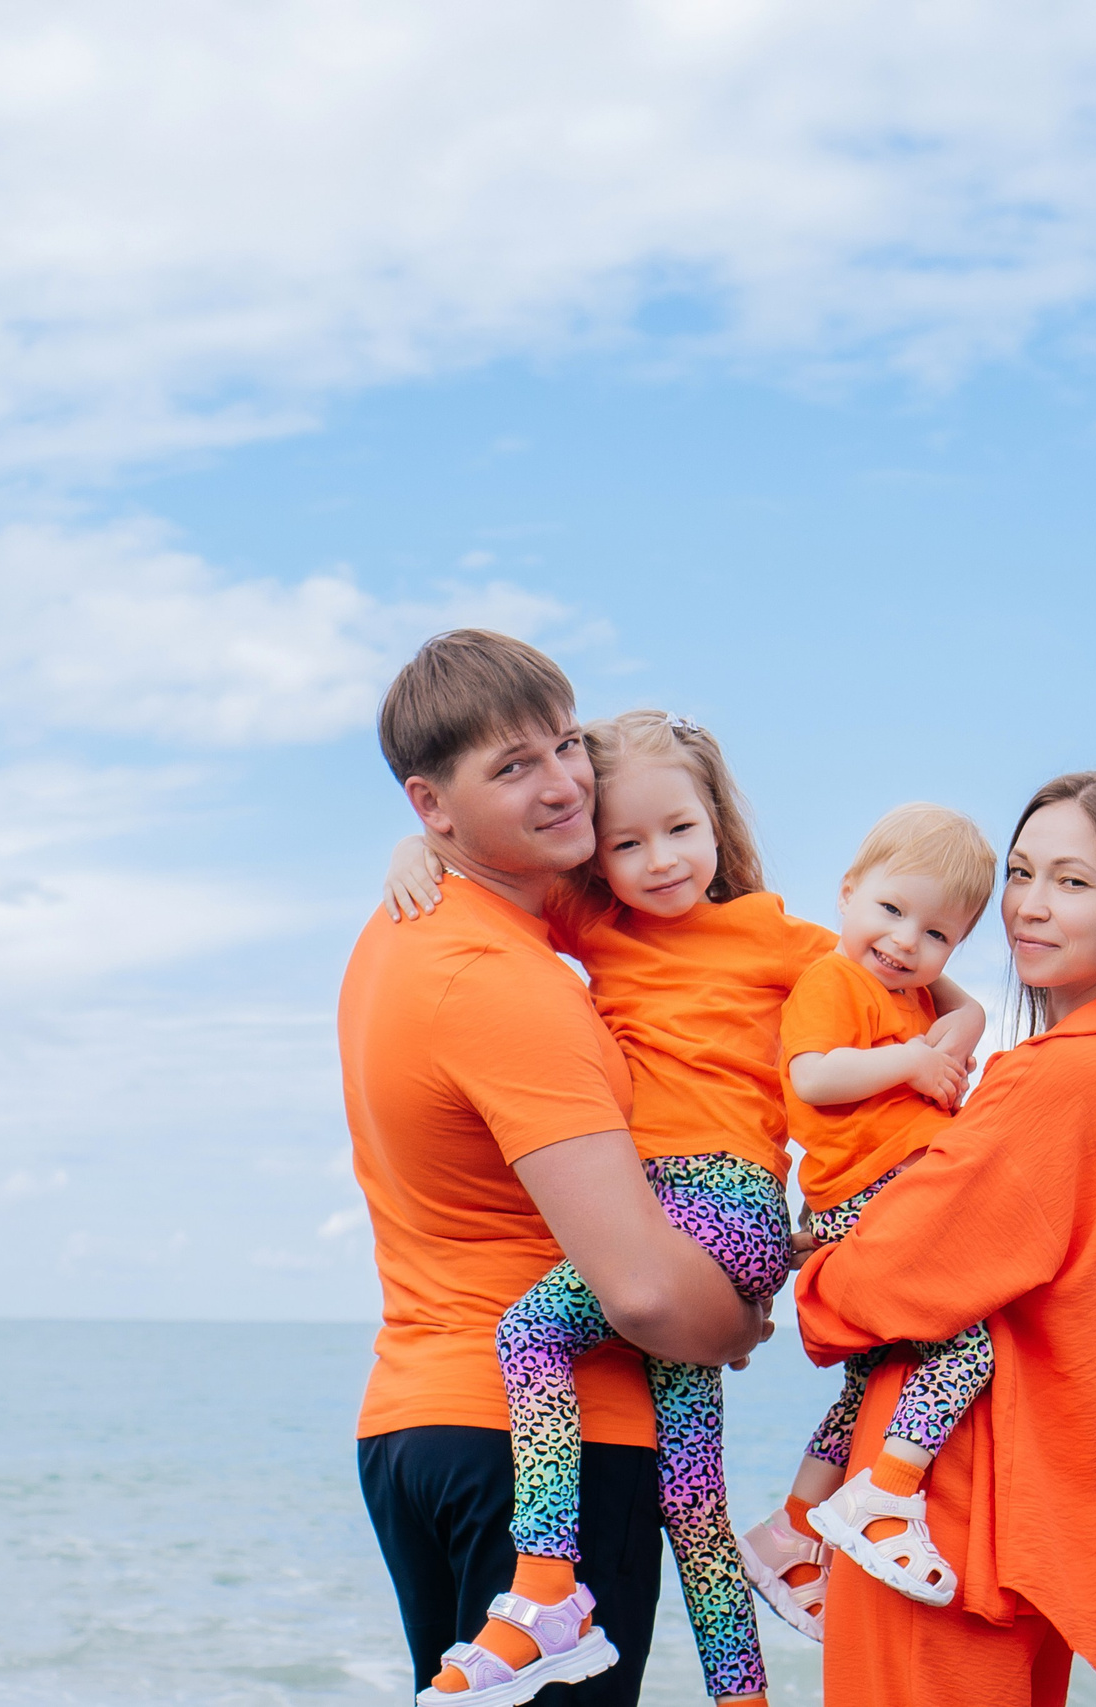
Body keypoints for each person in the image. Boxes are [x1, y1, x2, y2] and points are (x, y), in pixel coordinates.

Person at [384, 718, 984, 1707]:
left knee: (530, 1334)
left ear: (715, 823)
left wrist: (953, 1032)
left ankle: (546, 1593)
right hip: (657, 1217)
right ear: (598, 854)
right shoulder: (596, 925)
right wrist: (415, 852)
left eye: (680, 830)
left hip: (721, 1202)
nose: (659, 860)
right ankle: (743, 1696)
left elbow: (912, 964)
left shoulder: (778, 937)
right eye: (627, 843)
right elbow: (488, 876)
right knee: (692, 1498)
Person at [342, 633, 769, 1707]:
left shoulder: (405, 934)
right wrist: (736, 1326)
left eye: (566, 744)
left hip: (418, 1427)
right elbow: (641, 1291)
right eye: (512, 767)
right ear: (431, 805)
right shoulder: (504, 981)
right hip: (550, 1451)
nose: (565, 783)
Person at [794, 769, 1096, 1705]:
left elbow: (875, 1286)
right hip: (1017, 1527)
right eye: (1022, 873)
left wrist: (815, 1265)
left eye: (1073, 882)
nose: (1030, 906)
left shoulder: (1057, 1079)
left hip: (942, 1522)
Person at [735, 804, 997, 1642]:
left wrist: (947, 1022)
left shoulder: (911, 994)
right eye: (889, 909)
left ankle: (789, 1531)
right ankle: (886, 1493)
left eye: (937, 933)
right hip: (869, 1193)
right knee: (967, 1346)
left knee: (867, 1385)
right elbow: (813, 1077)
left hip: (883, 1194)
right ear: (847, 892)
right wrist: (912, 1061)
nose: (905, 941)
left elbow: (972, 1013)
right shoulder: (835, 980)